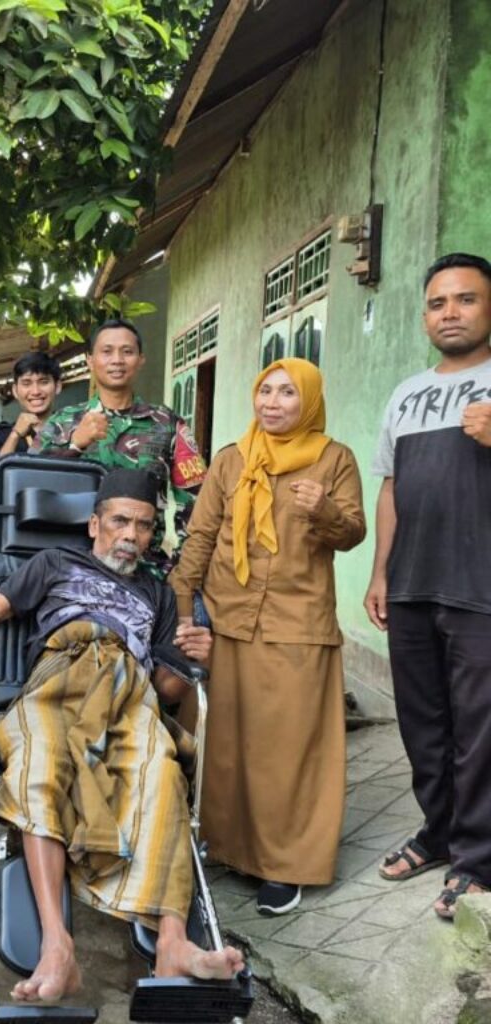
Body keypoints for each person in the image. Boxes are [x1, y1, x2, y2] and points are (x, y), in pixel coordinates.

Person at [0, 468, 244, 1001]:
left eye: (144, 526)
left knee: (161, 769)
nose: (131, 535)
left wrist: (196, 657)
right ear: (94, 525)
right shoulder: (54, 562)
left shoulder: (157, 594)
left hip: (129, 691)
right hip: (58, 680)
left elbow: (167, 687)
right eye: (120, 522)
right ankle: (57, 946)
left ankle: (172, 943)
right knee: (38, 764)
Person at [170, 358, 365, 916]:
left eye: (286, 393)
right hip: (228, 619)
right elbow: (202, 534)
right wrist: (184, 608)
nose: (272, 402)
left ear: (309, 401)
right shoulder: (233, 459)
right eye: (265, 391)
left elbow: (352, 532)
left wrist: (324, 509)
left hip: (297, 624)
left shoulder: (334, 458)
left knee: (287, 749)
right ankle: (230, 848)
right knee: (226, 743)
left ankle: (285, 865)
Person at [364, 252, 491, 919]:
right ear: (424, 317)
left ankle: (478, 859)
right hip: (412, 583)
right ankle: (438, 833)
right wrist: (380, 570)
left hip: (480, 586)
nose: (450, 313)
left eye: (466, 299)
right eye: (438, 303)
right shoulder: (406, 393)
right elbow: (391, 487)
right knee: (423, 723)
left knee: (480, 729)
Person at [31, 319, 206, 579]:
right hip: (72, 569)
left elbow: (197, 504)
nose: (117, 360)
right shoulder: (63, 421)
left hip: (143, 570)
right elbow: (30, 484)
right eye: (107, 351)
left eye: (127, 352)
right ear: (90, 361)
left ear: (140, 360)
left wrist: (179, 570)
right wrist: (74, 445)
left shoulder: (167, 424)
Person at [0, 351, 63, 457]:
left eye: (44, 382)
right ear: (15, 391)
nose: (35, 391)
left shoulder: (72, 429)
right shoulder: (0, 436)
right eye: (26, 383)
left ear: (58, 386)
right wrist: (15, 435)